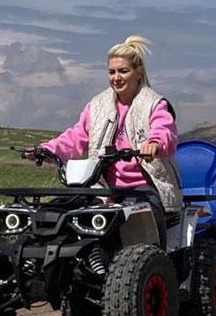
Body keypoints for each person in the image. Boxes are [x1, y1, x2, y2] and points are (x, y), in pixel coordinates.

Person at [31, 35, 181, 246]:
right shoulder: (98, 106)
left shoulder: (155, 104)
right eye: (111, 72)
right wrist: (47, 150)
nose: (116, 78)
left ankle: (158, 267)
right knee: (57, 210)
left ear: (138, 73)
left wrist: (154, 143)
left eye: (123, 71)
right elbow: (76, 136)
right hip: (103, 187)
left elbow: (165, 131)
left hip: (144, 186)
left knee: (147, 221)